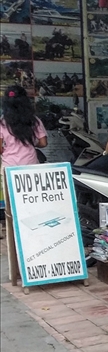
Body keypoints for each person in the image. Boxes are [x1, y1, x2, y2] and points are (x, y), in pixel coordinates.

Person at [1, 85, 47, 238]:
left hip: (9, 167)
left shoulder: (2, 123)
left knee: (12, 203)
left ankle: (14, 233)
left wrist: (8, 148)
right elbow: (43, 143)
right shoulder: (34, 121)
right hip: (31, 165)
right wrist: (30, 143)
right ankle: (31, 232)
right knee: (31, 199)